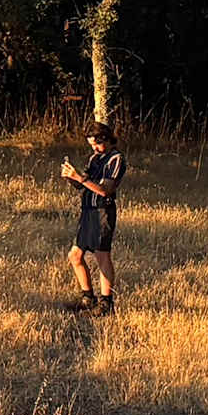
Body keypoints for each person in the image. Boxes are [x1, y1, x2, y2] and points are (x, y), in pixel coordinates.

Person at [61, 120, 126, 311]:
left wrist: (80, 177)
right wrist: (71, 178)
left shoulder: (116, 159)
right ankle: (87, 298)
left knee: (101, 256)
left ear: (106, 138)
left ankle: (106, 302)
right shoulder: (94, 159)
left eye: (97, 144)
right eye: (91, 145)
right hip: (87, 211)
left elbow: (105, 190)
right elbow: (85, 186)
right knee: (75, 255)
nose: (95, 148)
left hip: (102, 212)